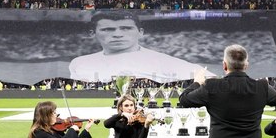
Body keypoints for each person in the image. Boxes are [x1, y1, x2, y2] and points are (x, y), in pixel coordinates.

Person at [69, 11, 214, 83]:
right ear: (92, 33)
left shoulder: (162, 61)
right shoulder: (80, 63)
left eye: (126, 28)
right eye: (108, 30)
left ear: (141, 33)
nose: (118, 35)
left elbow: (209, 78)